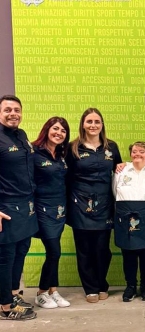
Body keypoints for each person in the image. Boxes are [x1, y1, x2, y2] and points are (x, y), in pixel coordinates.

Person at [66, 108, 122, 303]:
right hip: (79, 205)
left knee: (102, 250)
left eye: (97, 121)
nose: (93, 125)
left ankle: (102, 284)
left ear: (102, 124)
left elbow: (119, 170)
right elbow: (65, 177)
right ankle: (90, 288)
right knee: (84, 250)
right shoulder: (72, 148)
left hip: (104, 205)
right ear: (83, 124)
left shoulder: (111, 147)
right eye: (89, 121)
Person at [0, 95, 37, 320]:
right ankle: (5, 307)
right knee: (5, 258)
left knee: (20, 252)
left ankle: (13, 295)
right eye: (7, 110)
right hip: (6, 207)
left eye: (16, 110)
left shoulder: (21, 135)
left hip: (26, 206)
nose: (13, 114)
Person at [32, 117, 71, 309]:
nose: (59, 133)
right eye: (55, 128)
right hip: (42, 209)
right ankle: (41, 293)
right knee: (54, 252)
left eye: (63, 130)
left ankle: (52, 291)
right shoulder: (33, 152)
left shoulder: (62, 154)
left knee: (54, 252)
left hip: (60, 210)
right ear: (47, 129)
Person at [113, 142, 145, 302]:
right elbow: (114, 192)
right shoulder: (120, 171)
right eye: (134, 151)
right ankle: (130, 286)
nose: (137, 154)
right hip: (125, 216)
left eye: (141, 151)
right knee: (128, 255)